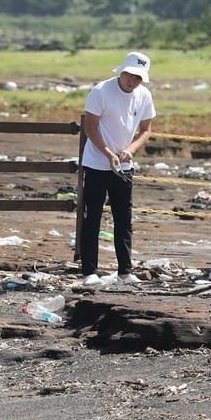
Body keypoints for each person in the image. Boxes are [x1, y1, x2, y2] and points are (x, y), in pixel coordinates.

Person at [78, 51, 156, 285]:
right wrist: (108, 153)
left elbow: (146, 129)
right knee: (92, 218)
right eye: (130, 75)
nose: (132, 81)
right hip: (96, 164)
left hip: (124, 166)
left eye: (138, 77)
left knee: (124, 219)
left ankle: (125, 271)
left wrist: (130, 150)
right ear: (122, 71)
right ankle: (89, 272)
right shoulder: (101, 91)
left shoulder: (144, 95)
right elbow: (90, 128)